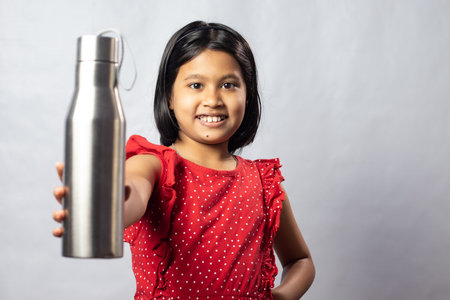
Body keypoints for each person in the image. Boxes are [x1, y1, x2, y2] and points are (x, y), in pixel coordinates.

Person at [52, 21, 315, 299]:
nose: (212, 99)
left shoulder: (264, 184)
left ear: (247, 95)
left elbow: (301, 261)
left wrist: (280, 296)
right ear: (170, 97)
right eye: (196, 85)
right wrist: (108, 204)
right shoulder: (153, 166)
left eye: (228, 85)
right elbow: (132, 194)